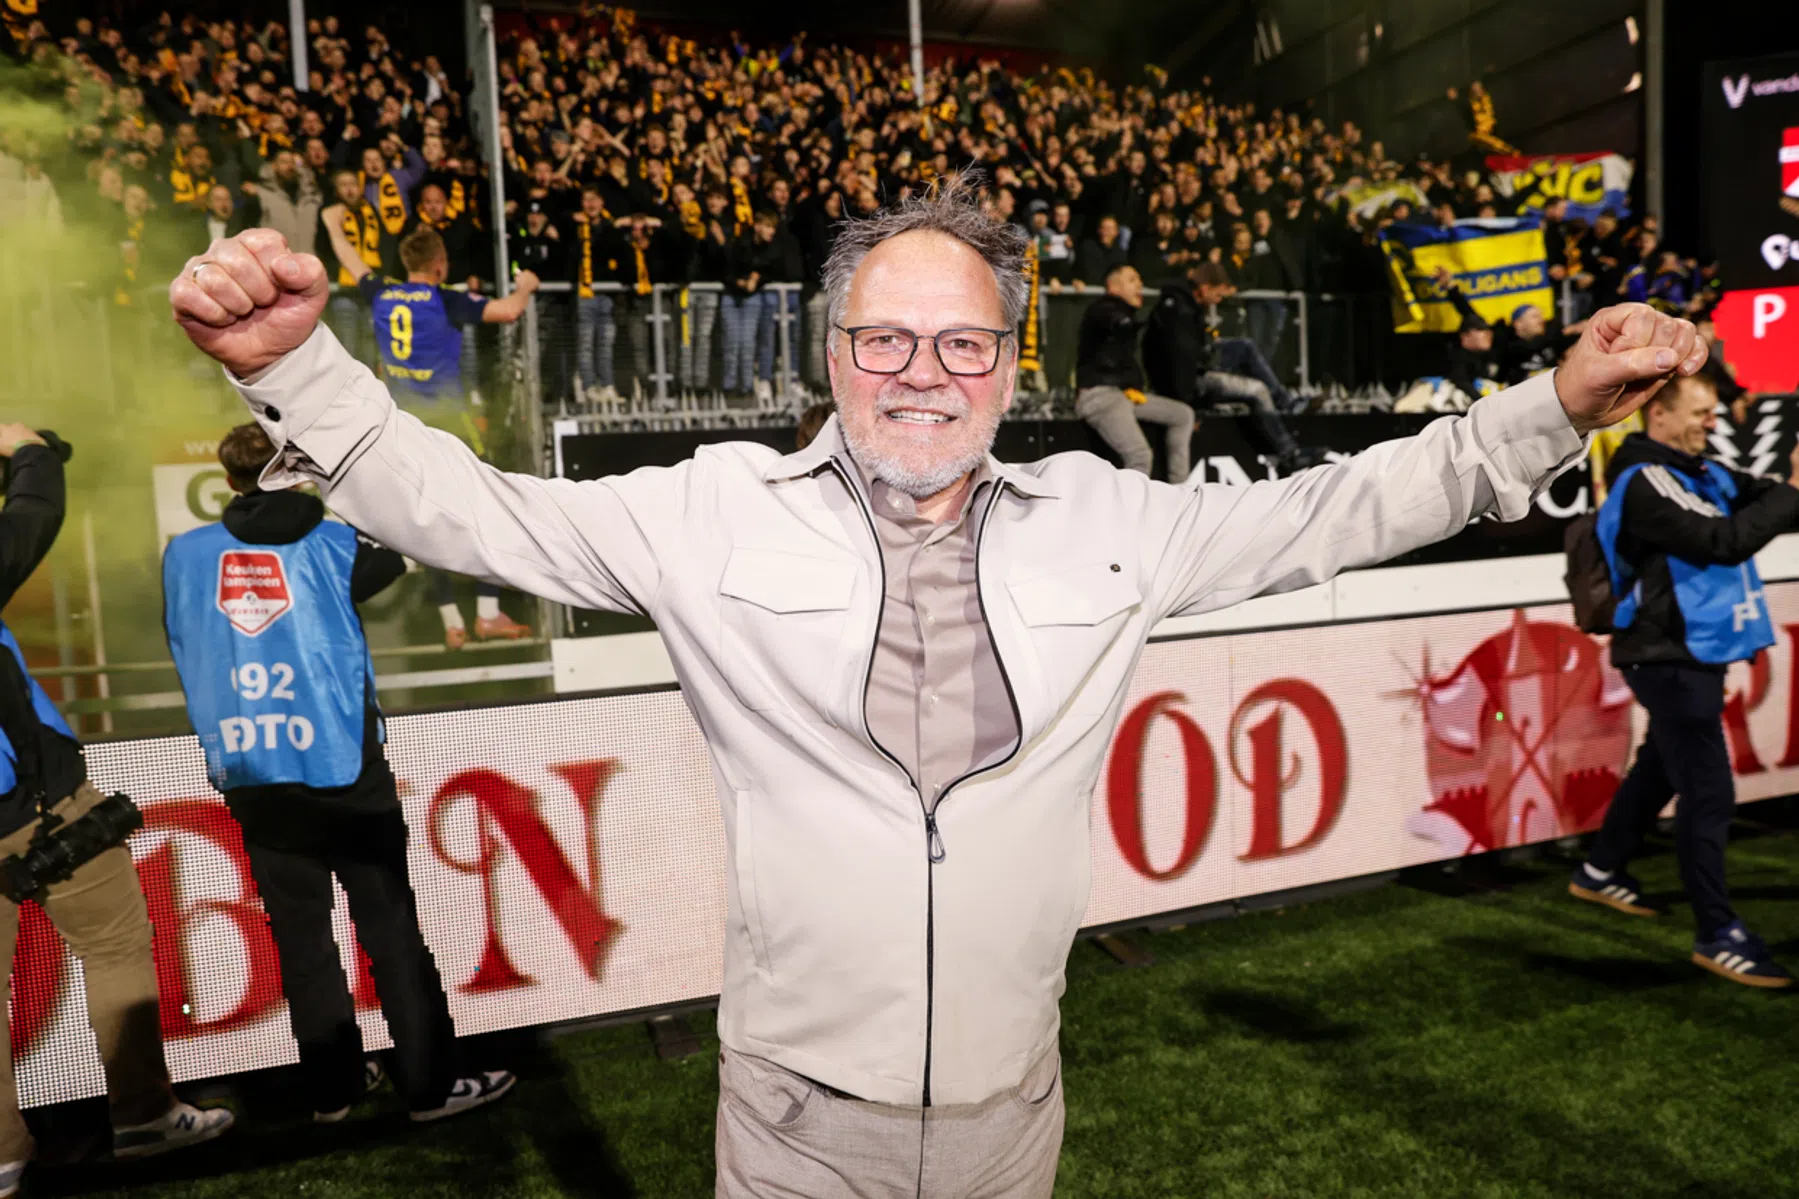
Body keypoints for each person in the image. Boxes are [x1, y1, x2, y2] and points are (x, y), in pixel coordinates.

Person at [171, 177, 1702, 1196]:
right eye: (886, 337)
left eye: (961, 342)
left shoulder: (1112, 523)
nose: (923, 372)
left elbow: (1348, 506)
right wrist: (297, 373)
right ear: (832, 353)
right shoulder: (705, 511)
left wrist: (1549, 403)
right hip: (789, 1122)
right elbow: (466, 508)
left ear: (1010, 359)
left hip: (1008, 1106)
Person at [162, 423, 520, 1121]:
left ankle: (332, 1089)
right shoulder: (334, 545)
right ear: (295, 473)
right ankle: (431, 1085)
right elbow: (400, 538)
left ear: (230, 479)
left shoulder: (186, 555)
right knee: (389, 930)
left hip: (253, 768)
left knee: (301, 941)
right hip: (344, 769)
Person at [0, 425, 232, 1197]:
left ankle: (3, 1155)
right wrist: (26, 449)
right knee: (115, 945)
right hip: (35, 805)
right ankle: (141, 1113)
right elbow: (31, 516)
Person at [1572, 375, 1798, 988]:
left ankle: (1602, 870)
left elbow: (1765, 501)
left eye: (1712, 412)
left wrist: (1786, 488)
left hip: (1689, 652)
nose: (1710, 422)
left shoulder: (1700, 471)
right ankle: (1716, 934)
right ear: (1659, 415)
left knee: (1661, 767)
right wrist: (1790, 488)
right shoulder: (1644, 481)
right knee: (1709, 793)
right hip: (1664, 656)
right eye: (1699, 412)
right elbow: (1724, 541)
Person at [318, 219, 540, 648]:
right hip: (449, 424)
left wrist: (333, 225)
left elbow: (351, 260)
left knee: (429, 516)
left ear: (406, 262)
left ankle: (452, 621)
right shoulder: (446, 299)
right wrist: (526, 285)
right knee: (483, 508)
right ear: (440, 265)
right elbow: (508, 310)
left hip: (403, 426)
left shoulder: (382, 292)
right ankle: (488, 614)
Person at [1142, 262, 1319, 472]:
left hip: (1196, 361)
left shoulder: (1185, 302)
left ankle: (1284, 401)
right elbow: (1178, 365)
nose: (1219, 301)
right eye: (1217, 296)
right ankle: (1289, 455)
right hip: (1189, 380)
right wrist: (1189, 406)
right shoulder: (1179, 313)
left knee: (1244, 347)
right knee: (1257, 391)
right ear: (1205, 288)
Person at [1074, 264, 1195, 482]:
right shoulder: (1102, 309)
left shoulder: (1126, 314)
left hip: (1126, 396)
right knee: (1140, 456)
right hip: (1100, 397)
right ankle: (1132, 513)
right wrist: (1135, 322)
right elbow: (1115, 322)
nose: (1139, 284)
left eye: (1140, 279)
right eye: (1132, 280)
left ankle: (1180, 492)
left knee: (1183, 415)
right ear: (1113, 286)